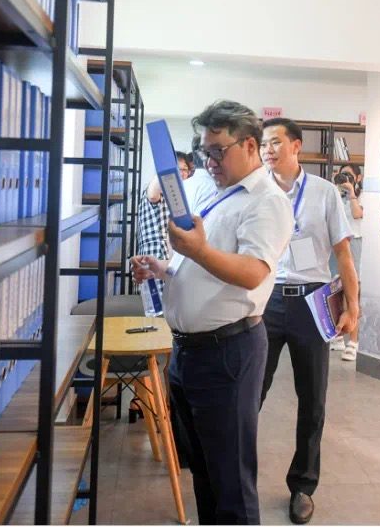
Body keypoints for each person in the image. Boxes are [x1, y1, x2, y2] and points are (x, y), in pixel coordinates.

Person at [130, 101, 293, 525]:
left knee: (230, 482)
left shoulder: (267, 202)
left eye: (219, 151)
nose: (210, 161)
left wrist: (198, 250)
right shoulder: (219, 193)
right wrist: (164, 268)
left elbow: (253, 272)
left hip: (228, 353)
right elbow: (203, 266)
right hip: (190, 352)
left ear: (250, 145)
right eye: (206, 152)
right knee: (203, 472)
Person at [259, 118, 360, 524]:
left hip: (311, 303)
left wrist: (352, 306)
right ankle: (235, 475)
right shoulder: (256, 190)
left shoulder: (323, 192)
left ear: (296, 146)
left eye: (275, 142)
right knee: (250, 392)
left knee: (313, 399)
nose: (267, 150)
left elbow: (343, 255)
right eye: (263, 144)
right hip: (265, 300)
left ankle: (303, 485)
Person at [330, 165, 364, 360]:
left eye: (349, 176)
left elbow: (357, 214)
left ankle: (353, 341)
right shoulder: (337, 194)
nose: (345, 178)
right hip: (337, 244)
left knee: (352, 293)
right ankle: (338, 335)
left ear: (358, 177)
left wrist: (351, 192)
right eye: (342, 175)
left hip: (355, 243)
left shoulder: (363, 196)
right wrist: (335, 188)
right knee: (335, 289)